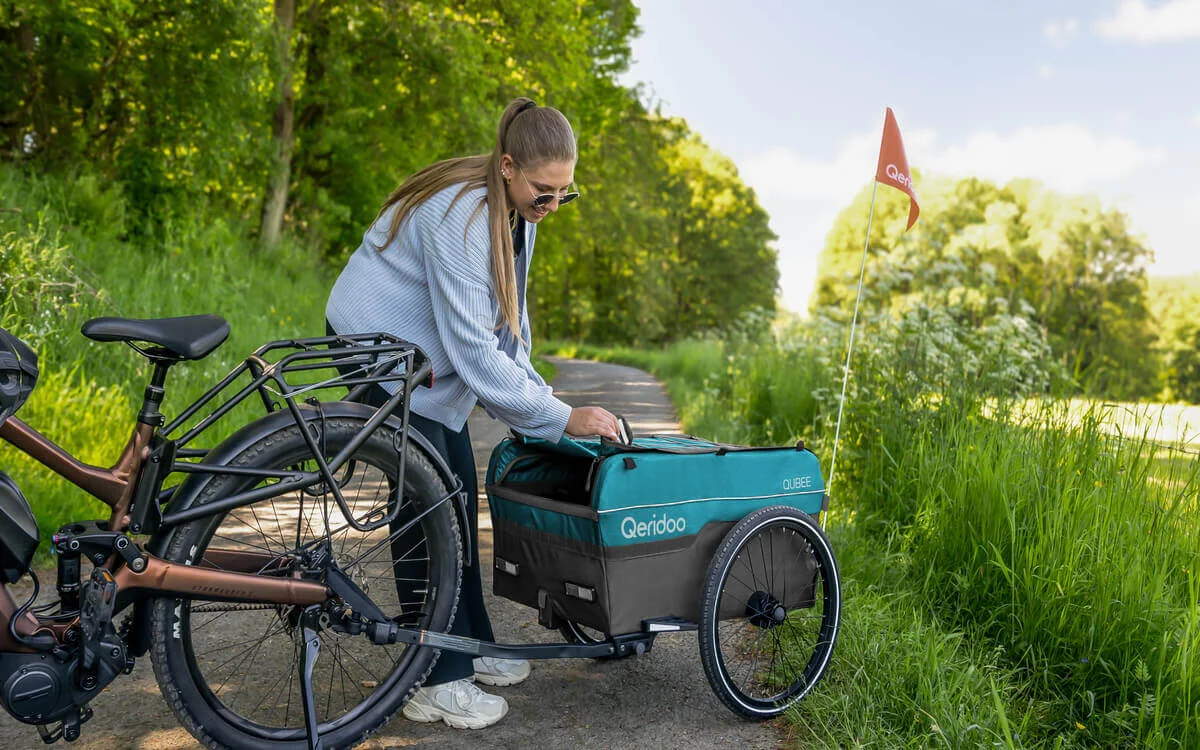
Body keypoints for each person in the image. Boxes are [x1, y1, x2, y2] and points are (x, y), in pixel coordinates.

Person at [325, 97, 621, 730]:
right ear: (509, 166)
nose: (552, 205)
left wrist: (536, 396)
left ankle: (470, 644)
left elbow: (510, 325)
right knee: (426, 504)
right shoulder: (458, 217)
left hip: (423, 358)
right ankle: (434, 680)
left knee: (459, 497)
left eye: (565, 194)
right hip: (374, 345)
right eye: (544, 191)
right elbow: (473, 351)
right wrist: (561, 417)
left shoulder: (520, 209)